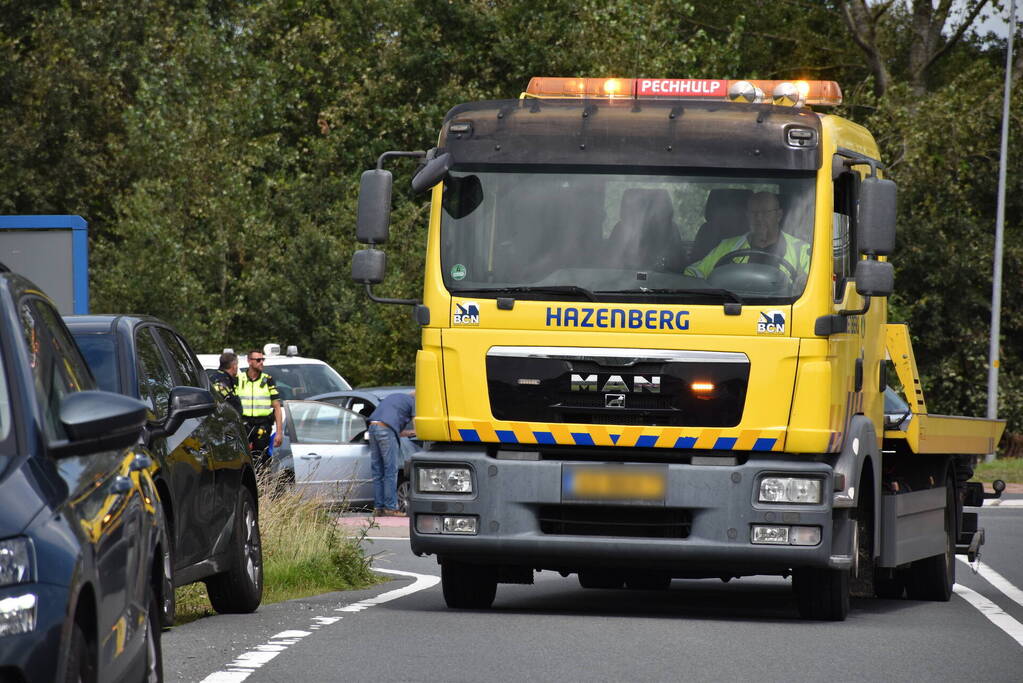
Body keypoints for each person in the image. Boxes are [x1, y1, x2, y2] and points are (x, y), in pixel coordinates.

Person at [684, 192, 810, 281]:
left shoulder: (801, 250)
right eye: (754, 213)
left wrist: (803, 282)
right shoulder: (728, 247)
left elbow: (813, 284)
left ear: (779, 215)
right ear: (747, 216)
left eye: (765, 213)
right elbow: (694, 272)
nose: (759, 218)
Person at [367, 391, 415, 517]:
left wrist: (410, 433)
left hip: (373, 427)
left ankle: (378, 507)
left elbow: (391, 429)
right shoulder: (414, 402)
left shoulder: (396, 397)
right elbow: (417, 424)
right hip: (386, 429)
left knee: (377, 471)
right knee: (391, 470)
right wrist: (419, 432)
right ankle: (391, 507)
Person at [238, 348, 283, 467]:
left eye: (263, 359)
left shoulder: (267, 380)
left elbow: (277, 407)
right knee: (242, 460)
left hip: (262, 425)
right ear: (249, 361)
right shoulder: (239, 379)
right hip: (244, 425)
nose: (261, 362)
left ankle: (261, 478)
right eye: (258, 360)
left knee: (261, 460)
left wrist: (279, 433)